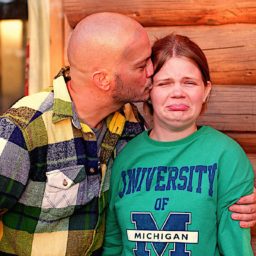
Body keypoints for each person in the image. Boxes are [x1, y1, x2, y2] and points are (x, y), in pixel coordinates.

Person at [0, 12, 255, 256]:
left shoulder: (130, 124)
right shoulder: (23, 130)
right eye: (142, 65)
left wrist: (240, 198)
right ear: (103, 80)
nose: (150, 73)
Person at [103, 34, 254, 255]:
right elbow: (114, 245)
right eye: (164, 83)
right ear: (148, 91)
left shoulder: (226, 155)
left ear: (206, 90)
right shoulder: (126, 156)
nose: (177, 93)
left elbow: (236, 248)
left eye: (189, 83)